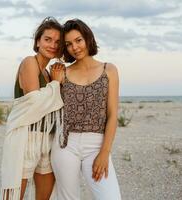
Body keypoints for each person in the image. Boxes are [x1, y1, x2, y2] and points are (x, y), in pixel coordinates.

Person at [50, 19, 122, 199]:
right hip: (65, 143)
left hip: (96, 144)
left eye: (78, 40)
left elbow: (113, 114)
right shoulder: (63, 73)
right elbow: (50, 106)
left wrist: (105, 152)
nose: (75, 47)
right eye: (68, 44)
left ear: (88, 38)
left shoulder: (109, 70)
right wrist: (55, 81)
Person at [0, 17, 64, 200]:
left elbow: (53, 105)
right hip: (26, 138)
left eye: (57, 42)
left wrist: (55, 80)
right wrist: (56, 84)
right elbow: (36, 103)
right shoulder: (30, 62)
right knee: (13, 196)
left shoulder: (48, 73)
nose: (52, 45)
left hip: (47, 140)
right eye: (47, 39)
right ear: (37, 41)